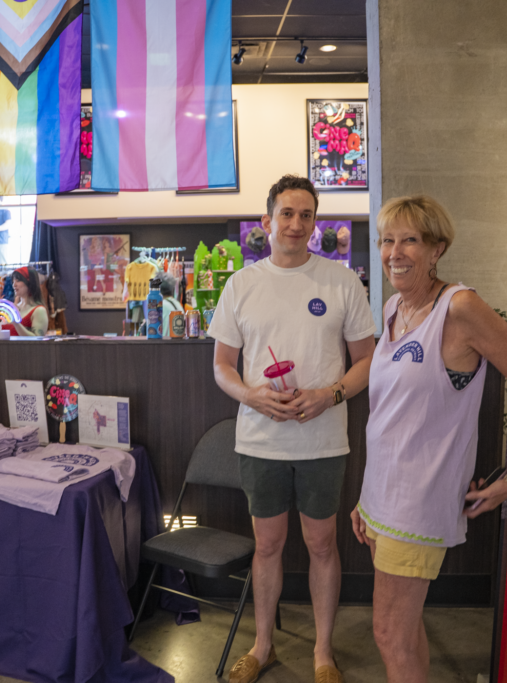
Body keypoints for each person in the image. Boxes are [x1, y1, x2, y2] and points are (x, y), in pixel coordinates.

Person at [349, 195, 507, 683]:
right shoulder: (393, 308)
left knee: (388, 634)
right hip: (383, 498)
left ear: (436, 248)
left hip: (418, 504)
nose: (394, 251)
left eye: (410, 240)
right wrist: (366, 497)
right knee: (405, 632)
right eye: (386, 240)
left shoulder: (459, 308)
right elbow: (388, 416)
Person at [209, 175, 376, 683]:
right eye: (287, 213)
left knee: (323, 544)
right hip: (261, 440)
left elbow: (367, 361)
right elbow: (222, 366)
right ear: (267, 221)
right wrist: (250, 395)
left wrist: (331, 394)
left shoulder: (342, 282)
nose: (297, 224)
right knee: (267, 545)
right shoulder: (242, 284)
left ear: (315, 223)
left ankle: (323, 653)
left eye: (306, 215)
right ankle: (263, 646)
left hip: (323, 439)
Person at [10, 267, 48, 337]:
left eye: (18, 281)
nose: (14, 285)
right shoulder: (14, 308)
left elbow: (37, 340)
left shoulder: (39, 310)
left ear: (29, 283)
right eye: (13, 281)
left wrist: (15, 321)